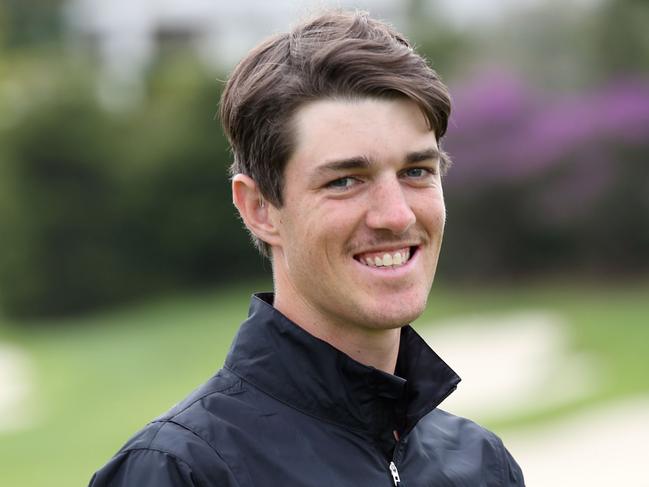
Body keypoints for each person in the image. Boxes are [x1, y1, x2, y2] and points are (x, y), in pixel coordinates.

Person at [89, 10, 525, 487]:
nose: (396, 215)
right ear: (259, 208)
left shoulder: (482, 465)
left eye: (416, 171)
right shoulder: (180, 470)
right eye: (345, 181)